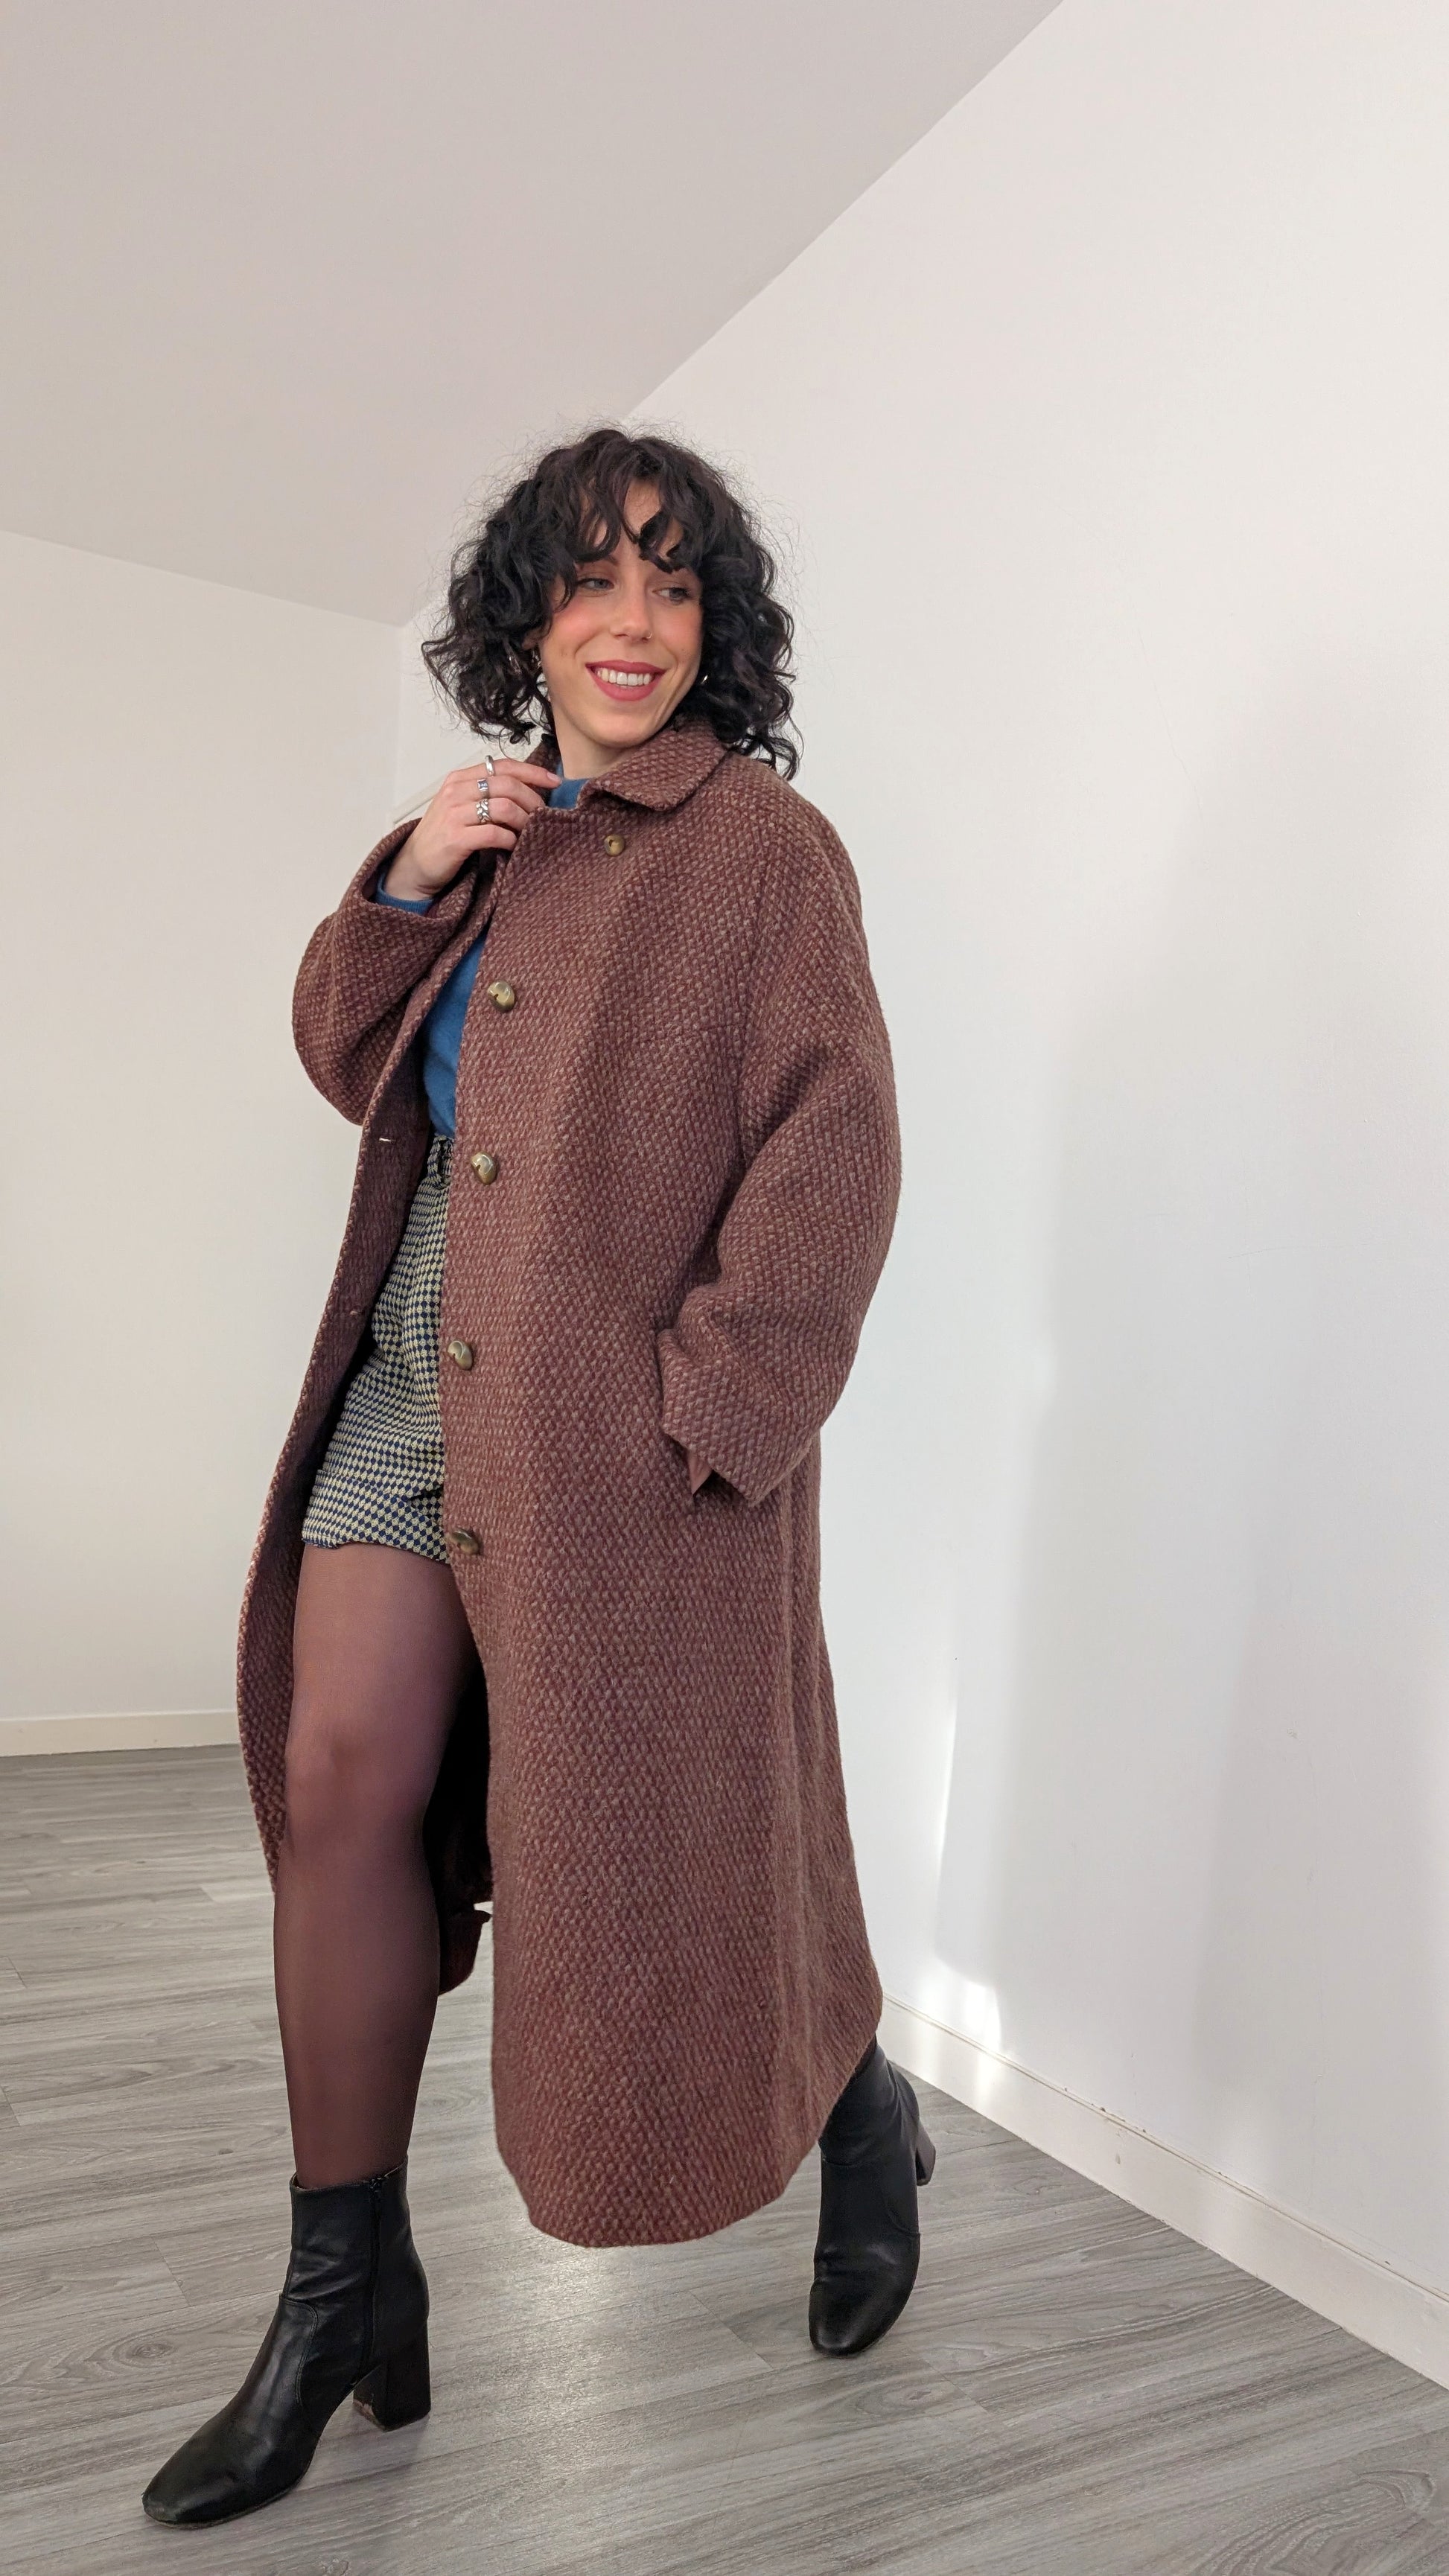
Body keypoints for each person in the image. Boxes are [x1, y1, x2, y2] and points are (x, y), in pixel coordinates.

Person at [142, 426, 932, 2529]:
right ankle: (341, 2293)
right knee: (341, 1784)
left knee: (688, 1845)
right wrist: (409, 871)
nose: (632, 623)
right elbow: (346, 1057)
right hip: (411, 1372)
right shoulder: (492, 834)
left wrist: (708, 1416)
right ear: (530, 616)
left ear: (715, 627)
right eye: (592, 580)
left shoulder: (764, 850)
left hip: (616, 1424)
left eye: (673, 584)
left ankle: (859, 2110)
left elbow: (839, 1146)